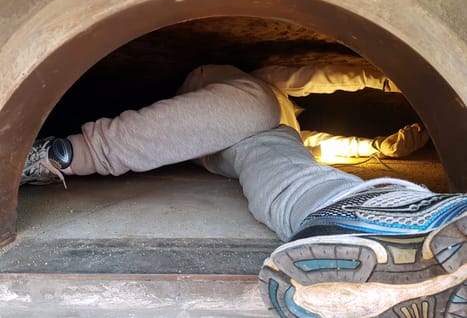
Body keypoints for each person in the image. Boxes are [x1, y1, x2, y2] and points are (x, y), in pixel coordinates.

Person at [21, 64, 466, 317]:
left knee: (270, 151)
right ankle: (59, 153)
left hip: (230, 144)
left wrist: (388, 143)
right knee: (257, 107)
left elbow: (347, 147)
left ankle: (344, 212)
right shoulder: (266, 84)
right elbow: (315, 73)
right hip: (215, 97)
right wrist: (392, 77)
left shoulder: (293, 134)